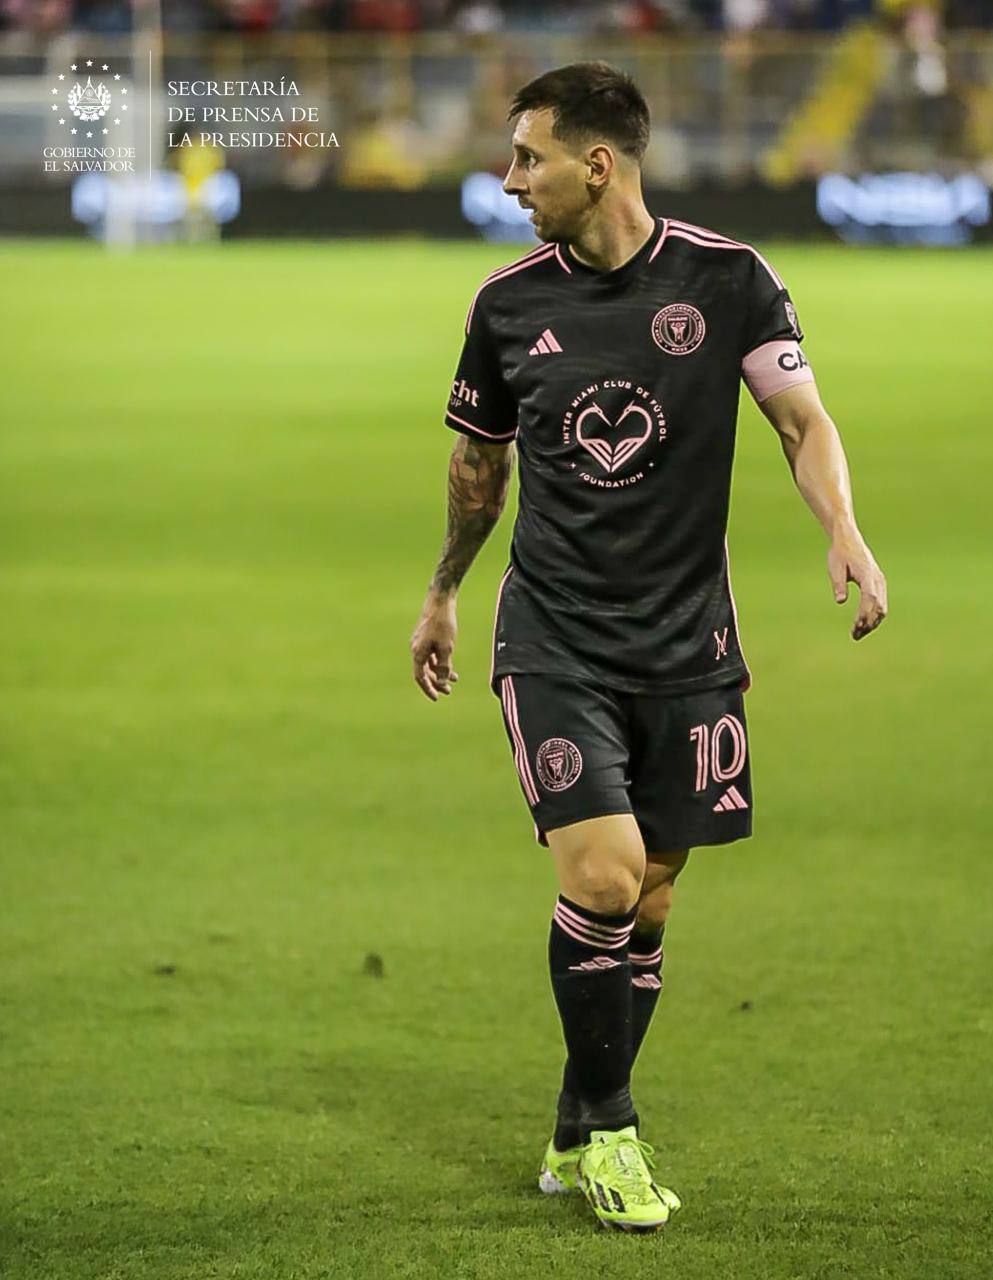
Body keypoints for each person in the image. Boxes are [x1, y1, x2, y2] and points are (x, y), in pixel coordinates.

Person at [409, 61, 887, 1233]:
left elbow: (801, 417)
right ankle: (617, 1131)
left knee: (654, 900)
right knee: (606, 875)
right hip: (554, 637)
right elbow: (480, 474)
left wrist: (845, 531)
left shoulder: (728, 281)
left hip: (691, 645)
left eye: (528, 156)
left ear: (597, 163)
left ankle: (577, 1119)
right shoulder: (508, 303)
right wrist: (443, 592)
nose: (510, 178)